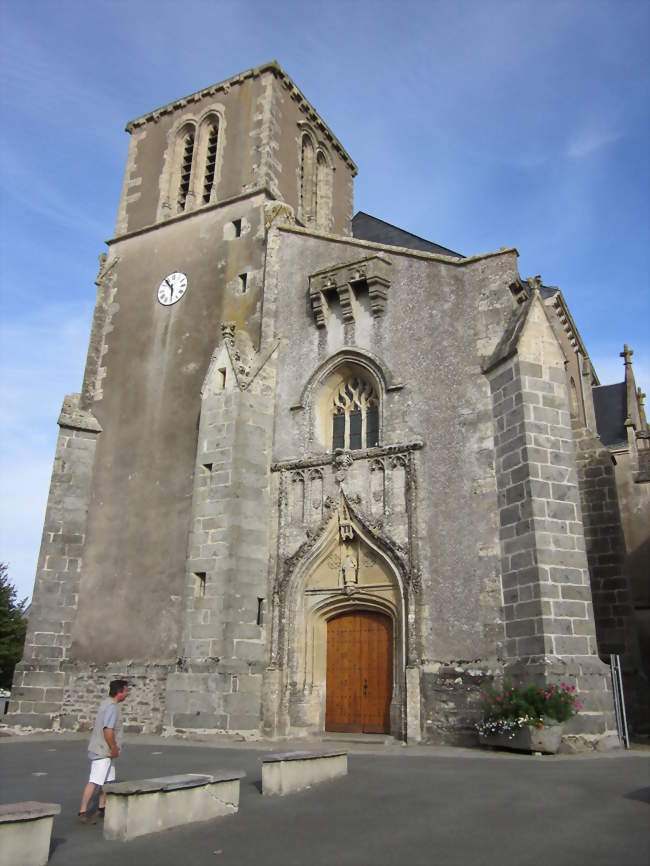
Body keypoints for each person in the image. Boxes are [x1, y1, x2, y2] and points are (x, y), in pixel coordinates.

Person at [78, 679, 129, 824]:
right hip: (103, 750)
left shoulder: (107, 703)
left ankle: (101, 807)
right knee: (95, 780)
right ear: (119, 692)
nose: (127, 694)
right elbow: (108, 730)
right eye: (125, 691)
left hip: (105, 750)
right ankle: (82, 811)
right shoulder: (111, 707)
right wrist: (113, 748)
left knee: (107, 781)